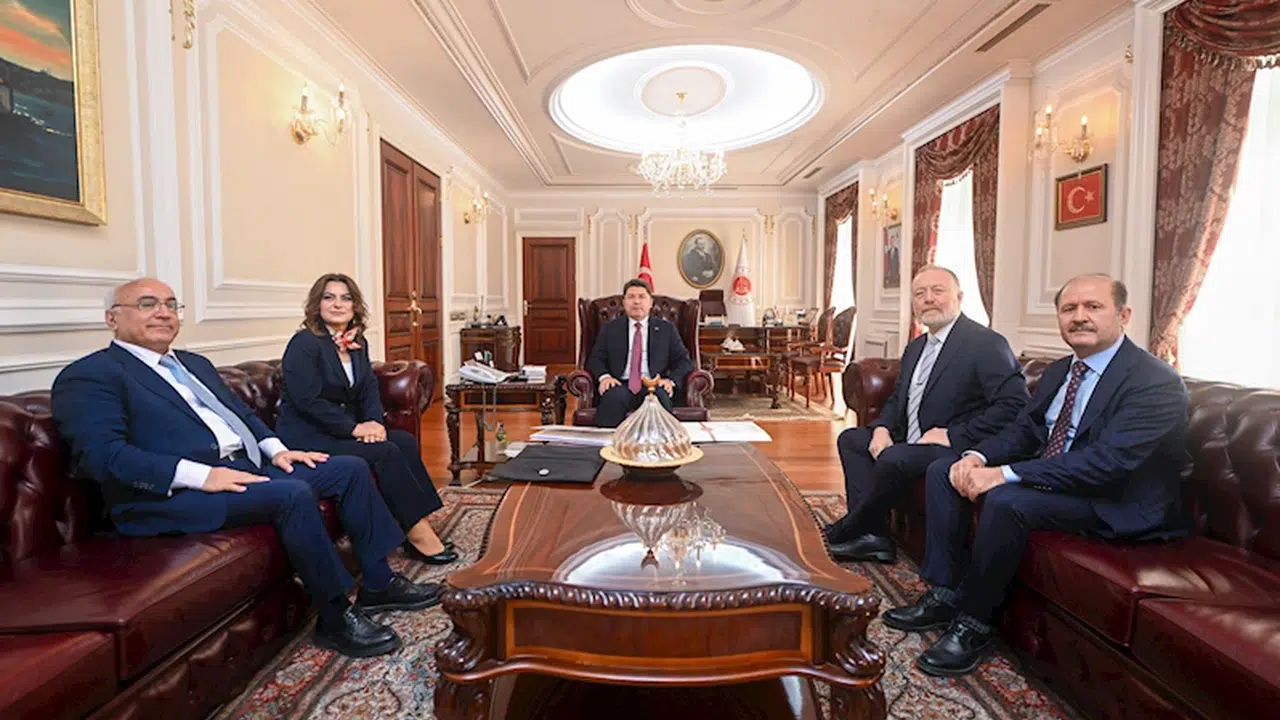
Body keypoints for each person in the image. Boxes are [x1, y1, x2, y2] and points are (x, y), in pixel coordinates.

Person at [51, 278, 438, 659]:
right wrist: (203, 476)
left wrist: (278, 451)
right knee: (292, 494)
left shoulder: (194, 364)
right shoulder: (90, 375)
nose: (163, 313)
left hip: (244, 468)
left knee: (349, 468)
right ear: (112, 318)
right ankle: (335, 617)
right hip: (171, 494)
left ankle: (379, 583)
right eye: (148, 304)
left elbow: (242, 414)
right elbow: (103, 456)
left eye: (171, 305)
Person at [884, 274, 1189, 677]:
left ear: (1124, 315)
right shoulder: (1062, 370)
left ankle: (973, 624)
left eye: (1093, 307)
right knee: (945, 469)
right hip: (1059, 479)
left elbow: (1107, 464)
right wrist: (977, 456)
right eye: (1069, 309)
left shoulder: (1154, 382)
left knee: (1007, 500)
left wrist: (1006, 474)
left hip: (1114, 499)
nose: (1079, 317)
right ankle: (944, 593)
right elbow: (1025, 430)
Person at [825, 266, 1027, 563]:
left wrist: (952, 435)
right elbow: (898, 398)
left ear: (959, 297)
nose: (928, 299)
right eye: (920, 294)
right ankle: (873, 537)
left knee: (895, 457)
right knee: (852, 439)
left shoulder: (986, 343)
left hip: (956, 445)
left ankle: (851, 527)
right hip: (912, 439)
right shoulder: (916, 347)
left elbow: (1014, 405)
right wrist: (882, 428)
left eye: (938, 291)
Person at [276, 273, 457, 565]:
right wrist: (355, 428)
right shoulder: (304, 343)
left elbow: (369, 390)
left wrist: (374, 423)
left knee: (403, 441)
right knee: (385, 452)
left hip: (341, 430)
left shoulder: (356, 341)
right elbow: (308, 402)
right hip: (308, 434)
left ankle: (414, 520)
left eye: (345, 298)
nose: (338, 304)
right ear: (317, 305)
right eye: (329, 297)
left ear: (355, 306)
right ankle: (418, 535)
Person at [588, 278, 696, 428]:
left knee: (659, 399)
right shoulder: (610, 329)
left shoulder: (666, 329)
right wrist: (604, 377)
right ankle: (608, 442)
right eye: (631, 297)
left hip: (653, 384)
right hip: (620, 384)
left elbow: (684, 361)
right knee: (612, 399)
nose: (636, 302)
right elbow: (595, 358)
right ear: (624, 302)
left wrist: (670, 381)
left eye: (641, 297)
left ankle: (660, 442)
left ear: (651, 302)